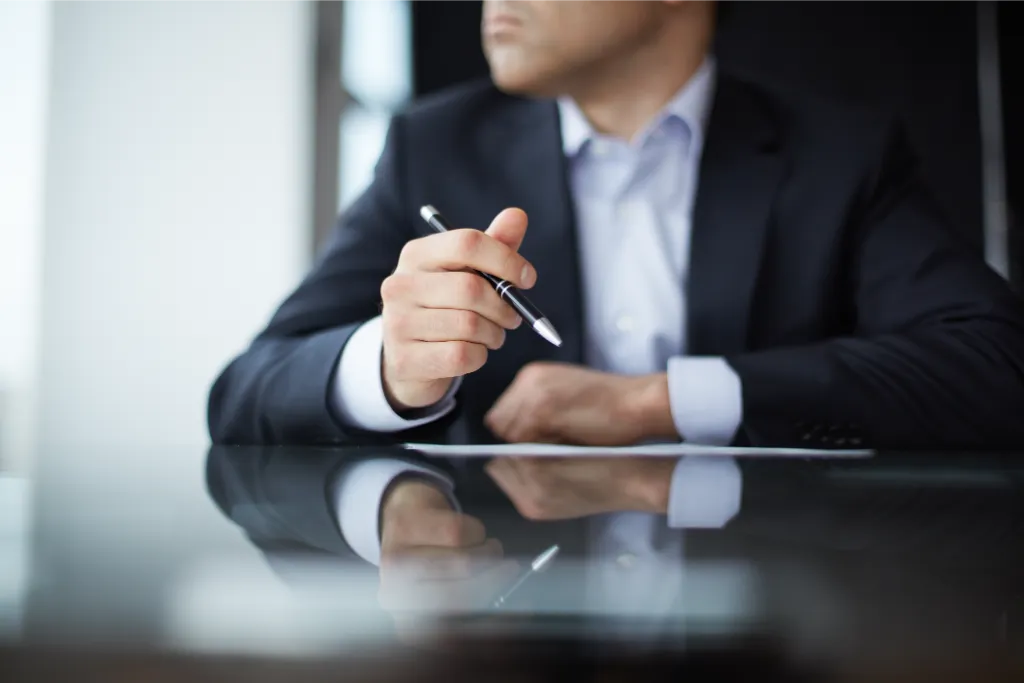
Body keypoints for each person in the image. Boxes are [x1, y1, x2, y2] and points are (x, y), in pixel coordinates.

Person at [208, 0, 1024, 610]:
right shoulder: (435, 147)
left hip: (778, 627)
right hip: (512, 626)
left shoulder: (839, 156)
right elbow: (244, 391)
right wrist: (391, 365)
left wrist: (659, 400)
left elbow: (996, 364)